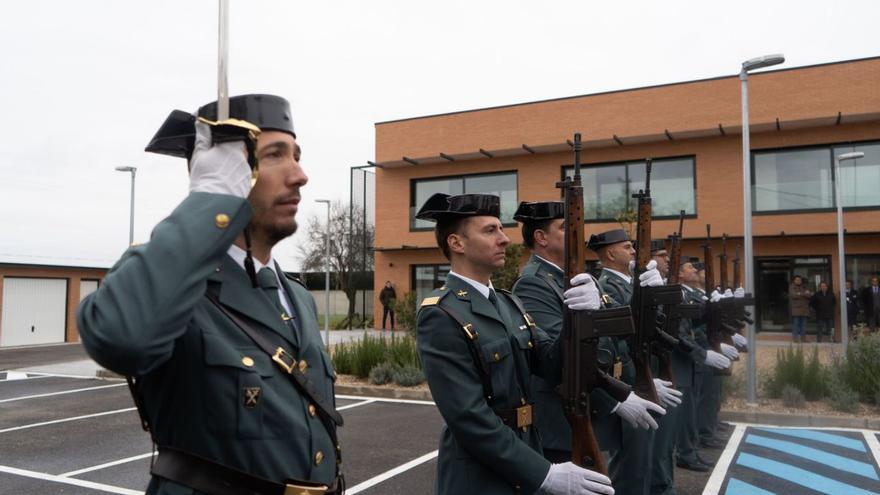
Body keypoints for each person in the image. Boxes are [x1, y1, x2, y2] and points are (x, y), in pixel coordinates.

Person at [77, 95, 344, 495]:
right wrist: (209, 200)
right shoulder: (171, 282)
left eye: (297, 155)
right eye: (274, 155)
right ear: (223, 173)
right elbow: (120, 337)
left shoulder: (297, 297)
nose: (300, 175)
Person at [414, 193, 614, 495]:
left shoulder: (509, 303)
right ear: (457, 243)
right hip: (480, 475)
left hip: (526, 451)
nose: (505, 239)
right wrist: (543, 473)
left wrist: (580, 318)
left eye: (501, 229)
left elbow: (552, 365)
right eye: (490, 230)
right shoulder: (441, 313)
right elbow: (468, 416)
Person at [510, 202, 666, 477]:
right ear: (541, 237)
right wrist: (616, 398)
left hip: (591, 401)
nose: (575, 235)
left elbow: (618, 334)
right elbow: (561, 357)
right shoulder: (533, 282)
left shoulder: (578, 279)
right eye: (564, 227)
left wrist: (646, 295)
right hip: (563, 417)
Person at [589, 228, 669, 495]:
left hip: (638, 373)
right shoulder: (607, 285)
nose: (633, 251)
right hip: (626, 379)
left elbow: (652, 325)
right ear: (610, 253)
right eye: (626, 247)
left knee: (643, 456)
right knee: (630, 463)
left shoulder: (626, 282)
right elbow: (628, 329)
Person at [789, 275, 812, 343]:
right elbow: (794, 295)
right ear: (794, 280)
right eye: (797, 280)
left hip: (804, 309)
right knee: (796, 325)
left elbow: (809, 295)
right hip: (796, 309)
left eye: (800, 280)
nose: (799, 281)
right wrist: (804, 294)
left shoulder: (804, 286)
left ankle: (803, 339)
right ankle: (795, 339)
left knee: (803, 326)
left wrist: (800, 294)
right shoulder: (792, 287)